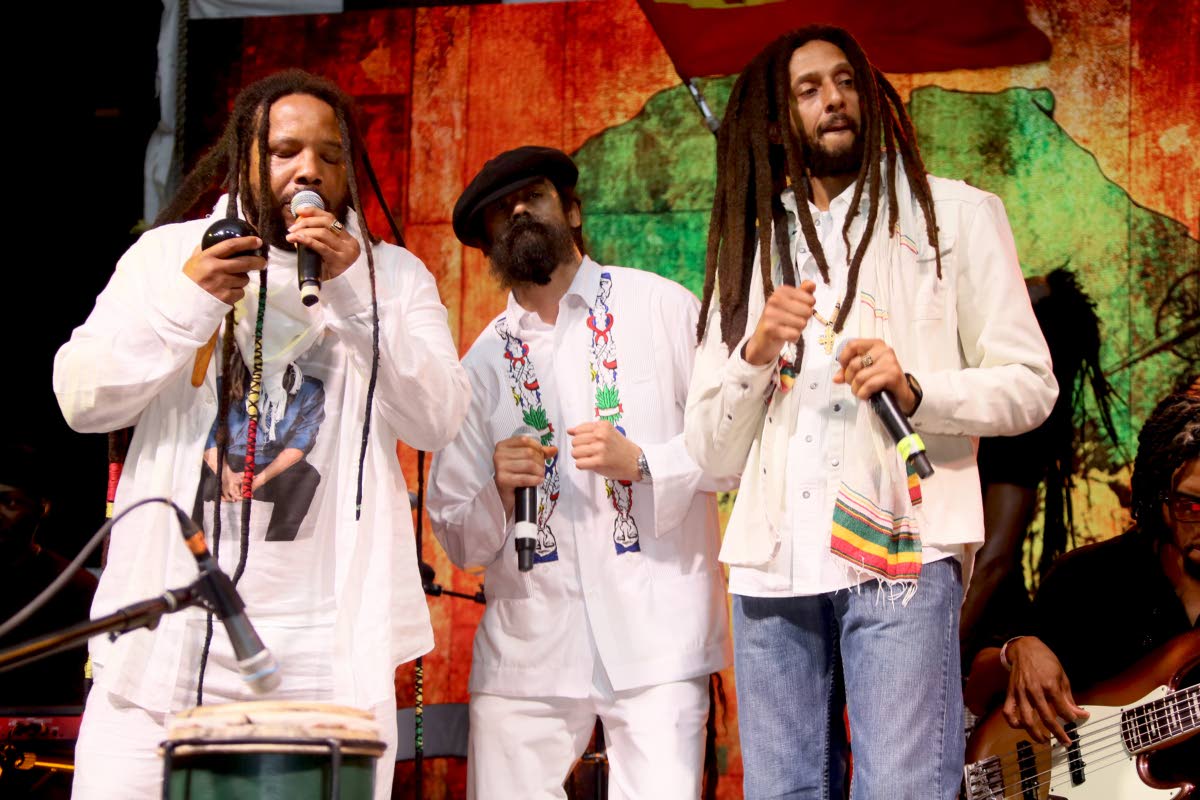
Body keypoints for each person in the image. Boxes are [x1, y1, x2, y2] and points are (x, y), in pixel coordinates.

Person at [53, 70, 469, 800]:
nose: (309, 170)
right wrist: (186, 303)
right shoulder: (169, 258)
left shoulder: (392, 276)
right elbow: (82, 399)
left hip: (326, 655)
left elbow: (436, 419)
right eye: (285, 151)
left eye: (330, 155)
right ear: (245, 156)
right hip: (166, 643)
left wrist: (354, 297)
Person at [682, 26, 1057, 798]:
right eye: (809, 89)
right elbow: (711, 457)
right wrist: (755, 353)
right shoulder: (754, 242)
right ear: (776, 121)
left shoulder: (954, 215)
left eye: (846, 80)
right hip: (772, 568)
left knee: (901, 788)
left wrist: (918, 390)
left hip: (901, 553)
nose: (834, 99)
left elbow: (1031, 385)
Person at [427, 146, 731, 798]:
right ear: (486, 245)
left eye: (531, 196)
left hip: (657, 635)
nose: (517, 212)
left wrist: (643, 462)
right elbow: (456, 535)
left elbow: (734, 449)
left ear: (571, 210)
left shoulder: (661, 308)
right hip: (527, 652)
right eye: (499, 211)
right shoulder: (478, 369)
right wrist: (497, 492)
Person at [968, 388, 1199, 745]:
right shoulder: (1088, 578)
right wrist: (1017, 651)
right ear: (1159, 498)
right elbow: (977, 689)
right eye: (1192, 507)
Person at [960, 269, 1121, 666]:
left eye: (1026, 290)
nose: (1015, 284)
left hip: (978, 631)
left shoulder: (1020, 431)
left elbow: (994, 560)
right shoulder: (980, 404)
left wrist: (941, 648)